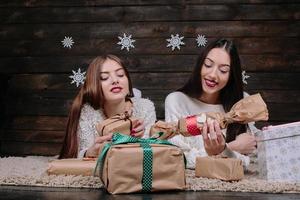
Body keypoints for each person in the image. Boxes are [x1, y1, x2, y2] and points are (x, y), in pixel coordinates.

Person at [165, 38, 258, 169]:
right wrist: (230, 147)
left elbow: (248, 162)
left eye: (223, 70)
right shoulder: (176, 101)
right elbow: (179, 158)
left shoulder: (241, 102)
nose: (213, 75)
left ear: (231, 75)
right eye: (208, 65)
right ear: (200, 65)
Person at [59, 54, 156, 159]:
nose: (115, 80)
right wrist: (91, 152)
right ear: (94, 85)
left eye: (120, 74)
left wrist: (141, 140)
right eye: (104, 78)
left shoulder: (146, 107)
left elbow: (151, 153)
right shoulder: (88, 112)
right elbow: (81, 155)